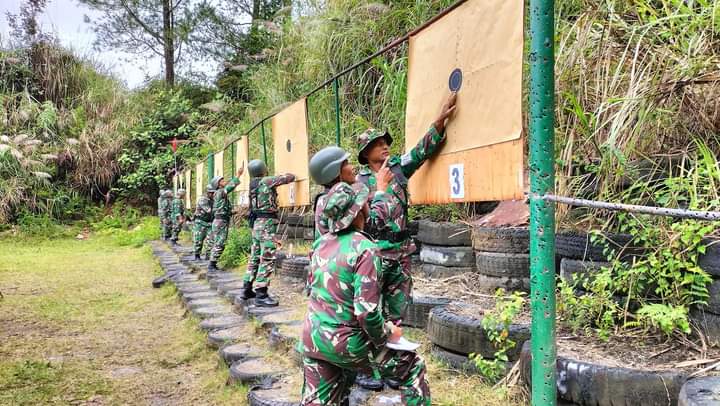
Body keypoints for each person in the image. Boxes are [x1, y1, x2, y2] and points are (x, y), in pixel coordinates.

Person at [300, 182, 430, 406]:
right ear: (359, 210)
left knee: (318, 399)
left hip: (313, 340)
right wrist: (389, 334)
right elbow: (366, 313)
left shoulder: (320, 244)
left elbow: (313, 290)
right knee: (413, 366)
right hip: (347, 345)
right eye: (366, 202)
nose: (369, 205)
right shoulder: (364, 248)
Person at [355, 93, 457, 326]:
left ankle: (394, 354)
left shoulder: (399, 169)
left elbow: (423, 150)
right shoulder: (359, 183)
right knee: (370, 313)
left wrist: (440, 120)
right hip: (374, 256)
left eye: (385, 142)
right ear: (365, 154)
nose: (384, 146)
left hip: (400, 255)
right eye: (377, 144)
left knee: (397, 316)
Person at [241, 159, 295, 307]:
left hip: (257, 223)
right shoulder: (266, 180)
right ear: (263, 169)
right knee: (267, 256)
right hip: (266, 223)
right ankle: (261, 294)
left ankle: (246, 289)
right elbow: (290, 177)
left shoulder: (253, 184)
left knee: (255, 257)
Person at [208, 167, 245, 273]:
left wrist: (234, 212)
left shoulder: (219, 194)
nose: (224, 182)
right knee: (220, 242)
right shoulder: (220, 192)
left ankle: (213, 263)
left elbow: (222, 209)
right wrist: (238, 175)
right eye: (222, 181)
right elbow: (230, 187)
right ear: (218, 184)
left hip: (220, 220)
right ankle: (211, 265)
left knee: (219, 242)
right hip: (220, 221)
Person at [192, 181, 217, 260]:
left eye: (214, 193)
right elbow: (209, 210)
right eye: (211, 193)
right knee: (199, 240)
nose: (213, 194)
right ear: (207, 193)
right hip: (200, 222)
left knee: (211, 240)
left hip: (209, 223)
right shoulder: (203, 200)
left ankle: (208, 256)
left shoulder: (214, 200)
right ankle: (197, 255)